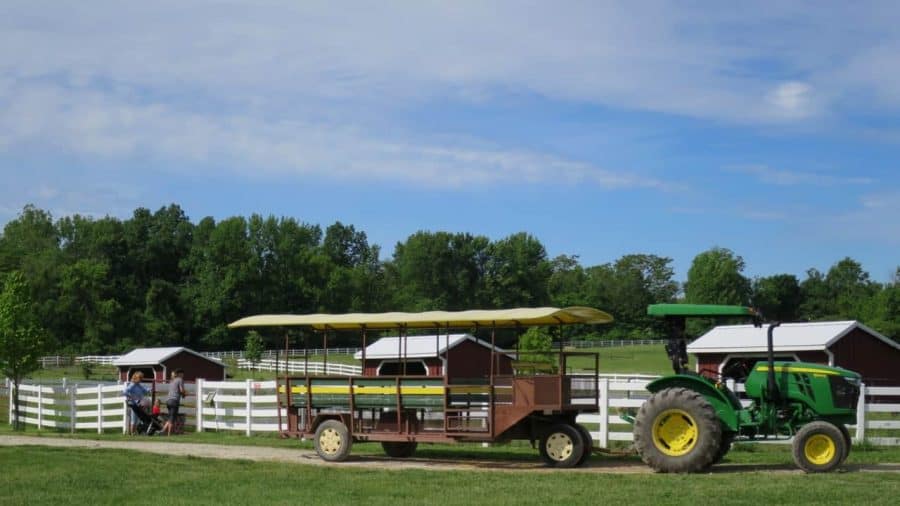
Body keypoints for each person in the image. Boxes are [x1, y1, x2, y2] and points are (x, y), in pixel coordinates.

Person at [162, 369, 186, 436]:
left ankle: (163, 430)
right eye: (182, 374)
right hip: (174, 400)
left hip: (168, 400)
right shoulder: (180, 379)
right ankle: (169, 434)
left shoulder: (172, 381)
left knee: (170, 417)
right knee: (172, 418)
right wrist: (184, 394)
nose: (183, 375)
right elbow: (181, 390)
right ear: (179, 374)